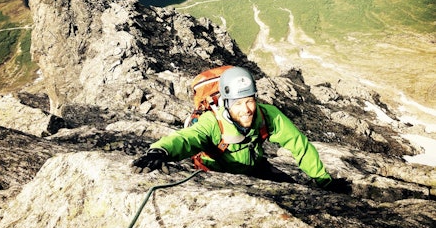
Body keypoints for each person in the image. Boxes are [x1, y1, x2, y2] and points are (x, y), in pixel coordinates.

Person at [133, 66, 350, 193]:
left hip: (254, 167)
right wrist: (160, 151)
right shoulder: (213, 122)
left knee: (293, 190)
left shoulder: (267, 115)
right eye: (237, 103)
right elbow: (187, 138)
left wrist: (324, 180)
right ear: (226, 103)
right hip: (214, 175)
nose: (246, 109)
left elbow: (299, 145)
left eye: (249, 101)